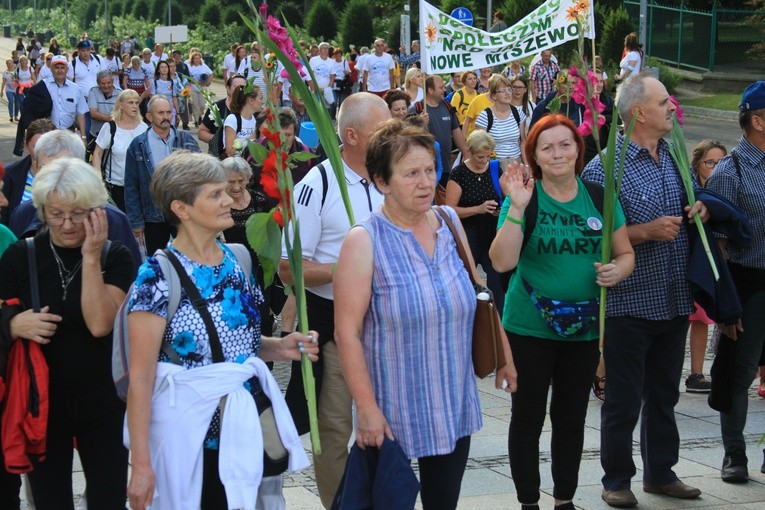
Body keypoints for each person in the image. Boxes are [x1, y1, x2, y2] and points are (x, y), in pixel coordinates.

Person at [334, 119, 516, 510]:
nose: (424, 182)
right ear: (382, 181)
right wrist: (365, 409)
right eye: (411, 174)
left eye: (429, 170)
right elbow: (346, 333)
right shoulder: (363, 240)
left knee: (443, 502)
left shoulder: (449, 222)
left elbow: (479, 293)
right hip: (392, 406)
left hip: (452, 396)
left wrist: (504, 358)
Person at [124, 151, 317, 510]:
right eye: (215, 194)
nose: (229, 199)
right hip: (192, 441)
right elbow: (140, 376)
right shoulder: (155, 277)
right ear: (181, 208)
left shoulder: (237, 259)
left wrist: (281, 347)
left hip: (245, 430)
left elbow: (235, 345)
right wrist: (142, 465)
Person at [490, 114, 635, 510]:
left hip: (584, 330)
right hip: (529, 327)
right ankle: (528, 502)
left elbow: (625, 254)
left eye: (565, 144)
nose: (558, 153)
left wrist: (615, 271)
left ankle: (564, 500)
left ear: (578, 149)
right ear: (534, 156)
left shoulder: (599, 196)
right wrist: (517, 209)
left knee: (571, 419)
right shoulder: (524, 196)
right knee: (528, 417)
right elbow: (501, 262)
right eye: (547, 147)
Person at [581, 73, 707, 507]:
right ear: (638, 111)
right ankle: (616, 479)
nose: (672, 106)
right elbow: (595, 239)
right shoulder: (603, 167)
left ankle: (661, 472)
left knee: (665, 395)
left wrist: (698, 209)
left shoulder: (673, 153)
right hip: (628, 303)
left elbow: (685, 208)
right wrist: (644, 232)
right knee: (622, 400)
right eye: (663, 101)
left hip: (672, 296)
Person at [0, 157, 134, 509]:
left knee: (108, 498)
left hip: (104, 399)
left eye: (78, 213)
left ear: (97, 211)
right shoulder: (19, 255)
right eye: (56, 214)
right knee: (49, 500)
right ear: (41, 211)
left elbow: (100, 323)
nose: (68, 224)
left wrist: (91, 258)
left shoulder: (115, 256)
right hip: (41, 401)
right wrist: (13, 325)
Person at [278, 93, 391, 508]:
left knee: (389, 426)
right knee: (335, 428)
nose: (392, 135)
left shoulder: (391, 177)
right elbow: (289, 269)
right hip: (337, 330)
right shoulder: (318, 183)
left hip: (388, 328)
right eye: (383, 128)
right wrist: (350, 269)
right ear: (352, 135)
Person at [705, 81, 765, 484]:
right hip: (749, 284)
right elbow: (716, 248)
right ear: (757, 121)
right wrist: (725, 307)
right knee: (740, 374)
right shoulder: (731, 171)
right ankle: (735, 455)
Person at [124, 96, 200, 254]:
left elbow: (201, 177)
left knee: (189, 257)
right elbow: (131, 185)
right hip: (154, 215)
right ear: (149, 116)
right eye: (160, 113)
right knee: (158, 261)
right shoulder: (138, 145)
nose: (166, 117)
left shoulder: (186, 140)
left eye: (168, 112)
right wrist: (136, 221)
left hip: (184, 212)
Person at [444, 129, 504, 312]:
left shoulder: (494, 169)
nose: (484, 161)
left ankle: (497, 323)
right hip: (468, 235)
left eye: (488, 156)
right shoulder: (459, 174)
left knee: (498, 283)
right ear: (469, 152)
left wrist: (498, 211)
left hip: (492, 233)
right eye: (480, 157)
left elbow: (507, 199)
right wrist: (478, 209)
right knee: (468, 282)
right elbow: (449, 210)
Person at [685, 140, 727, 394]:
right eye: (710, 162)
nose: (715, 168)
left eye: (721, 163)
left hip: (714, 265)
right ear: (698, 164)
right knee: (683, 319)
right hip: (689, 262)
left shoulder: (725, 188)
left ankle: (696, 373)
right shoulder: (691, 190)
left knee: (702, 318)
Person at [92, 89, 149, 212]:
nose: (134, 106)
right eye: (130, 103)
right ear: (121, 105)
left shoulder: (144, 128)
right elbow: (97, 153)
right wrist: (98, 180)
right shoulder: (110, 127)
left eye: (137, 103)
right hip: (116, 187)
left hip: (139, 187)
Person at [409, 75, 468, 188]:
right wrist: (418, 122)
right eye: (441, 88)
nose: (445, 90)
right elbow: (408, 135)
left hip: (446, 166)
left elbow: (456, 131)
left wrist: (465, 153)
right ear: (430, 90)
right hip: (426, 169)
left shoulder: (447, 106)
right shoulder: (418, 108)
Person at [1, 118, 56, 226]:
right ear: (26, 146)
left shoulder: (68, 175)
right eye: (36, 146)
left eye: (48, 146)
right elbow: (4, 218)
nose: (42, 151)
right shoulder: (11, 174)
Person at [475, 74, 527, 162]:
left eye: (509, 90)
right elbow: (478, 146)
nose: (507, 93)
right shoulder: (485, 116)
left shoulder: (518, 112)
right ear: (494, 95)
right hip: (494, 164)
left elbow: (523, 142)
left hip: (516, 162)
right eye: (503, 91)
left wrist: (526, 164)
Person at [223, 82, 264, 158]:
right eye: (261, 98)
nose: (263, 102)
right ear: (251, 100)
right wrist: (251, 138)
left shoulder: (256, 120)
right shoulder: (232, 119)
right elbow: (229, 152)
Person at [87, 70, 121, 147]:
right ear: (98, 83)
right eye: (103, 83)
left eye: (108, 83)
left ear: (112, 81)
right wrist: (113, 118)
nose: (106, 86)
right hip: (96, 134)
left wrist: (102, 116)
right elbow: (93, 114)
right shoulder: (93, 91)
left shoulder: (120, 93)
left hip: (114, 134)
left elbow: (121, 115)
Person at [187, 51, 213, 127]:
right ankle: (196, 120)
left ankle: (200, 116)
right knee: (195, 105)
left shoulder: (204, 66)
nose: (197, 60)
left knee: (202, 105)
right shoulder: (189, 66)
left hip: (202, 87)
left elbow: (211, 74)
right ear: (192, 59)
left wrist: (208, 82)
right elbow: (187, 76)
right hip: (193, 86)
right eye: (195, 59)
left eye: (198, 59)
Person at [151, 60, 180, 125]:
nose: (164, 69)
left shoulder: (173, 83)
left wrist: (178, 113)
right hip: (159, 110)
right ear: (158, 70)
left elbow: (174, 98)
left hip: (170, 110)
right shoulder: (154, 82)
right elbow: (152, 99)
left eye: (166, 67)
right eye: (162, 67)